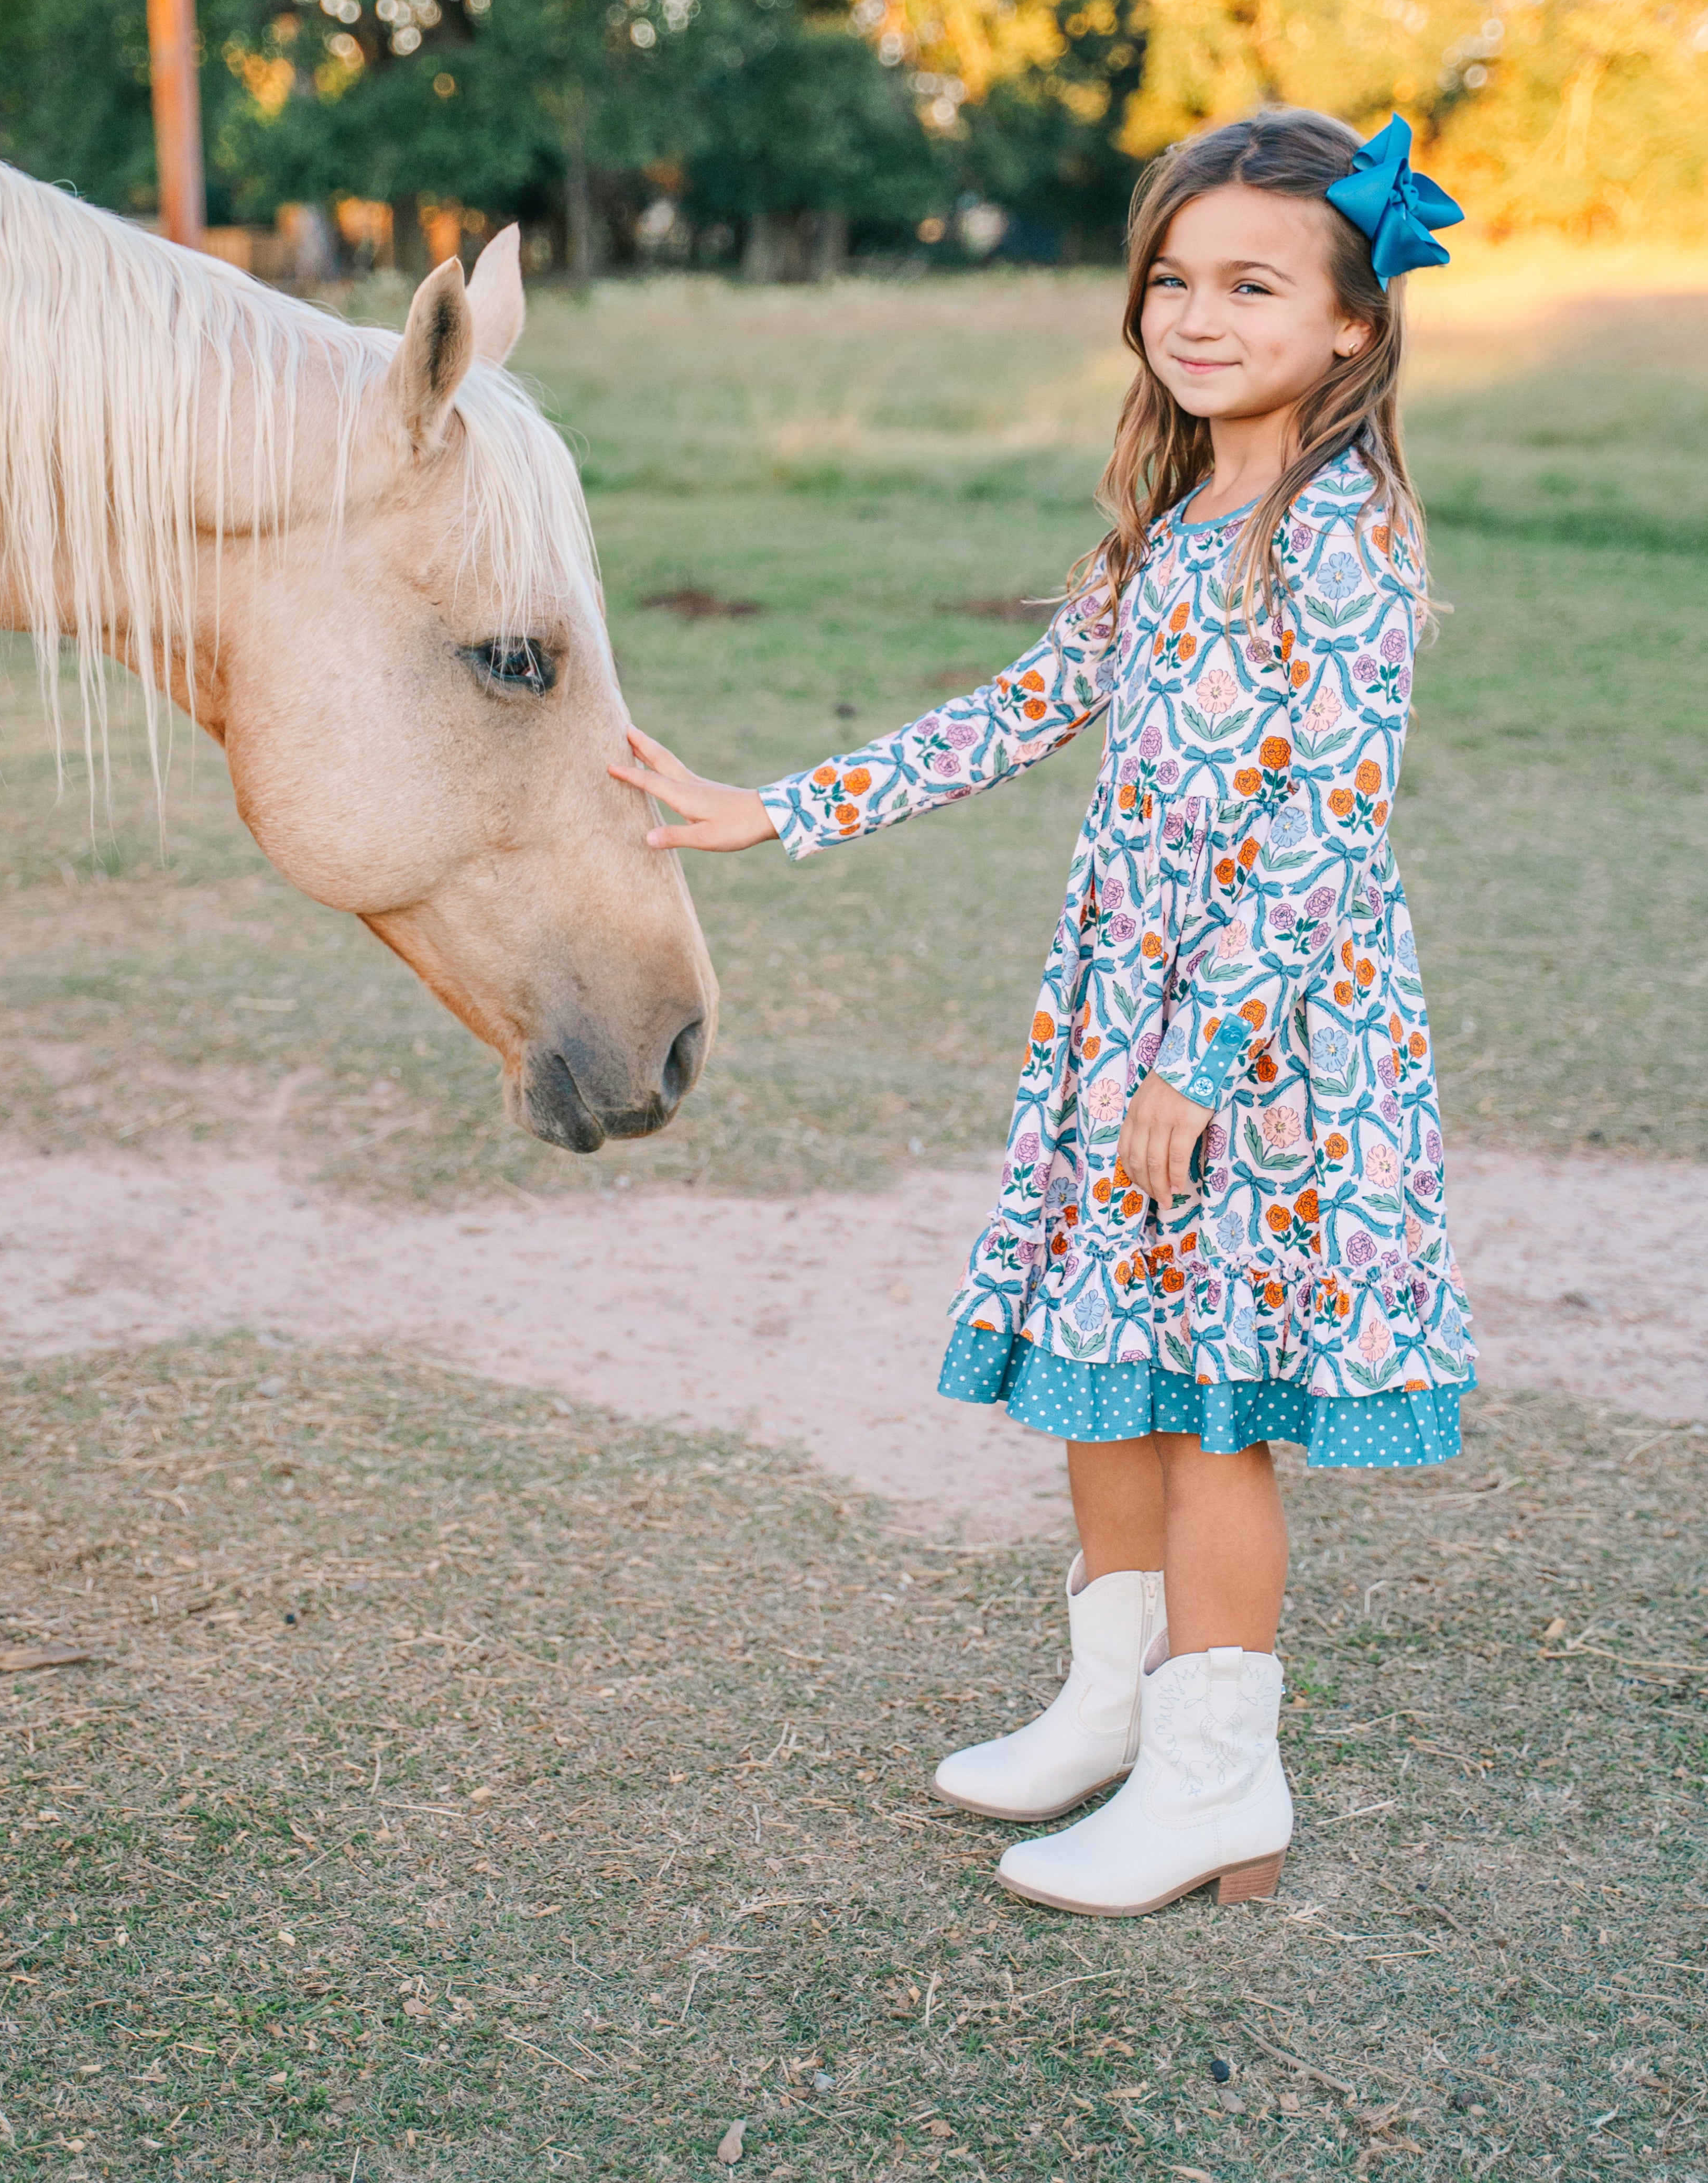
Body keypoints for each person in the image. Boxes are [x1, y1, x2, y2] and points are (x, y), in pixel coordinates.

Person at [609, 106, 1473, 1919]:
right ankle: (1111, 1710)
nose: (1198, 315)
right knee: (1110, 1357)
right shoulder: (1179, 524)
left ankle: (1220, 1784)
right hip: (1121, 1019)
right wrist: (781, 803)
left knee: (1213, 1405)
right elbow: (1015, 710)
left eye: (1253, 283)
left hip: (1254, 1044)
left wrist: (1203, 1062)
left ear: (1352, 327)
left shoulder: (1344, 539)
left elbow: (1326, 824)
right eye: (1174, 279)